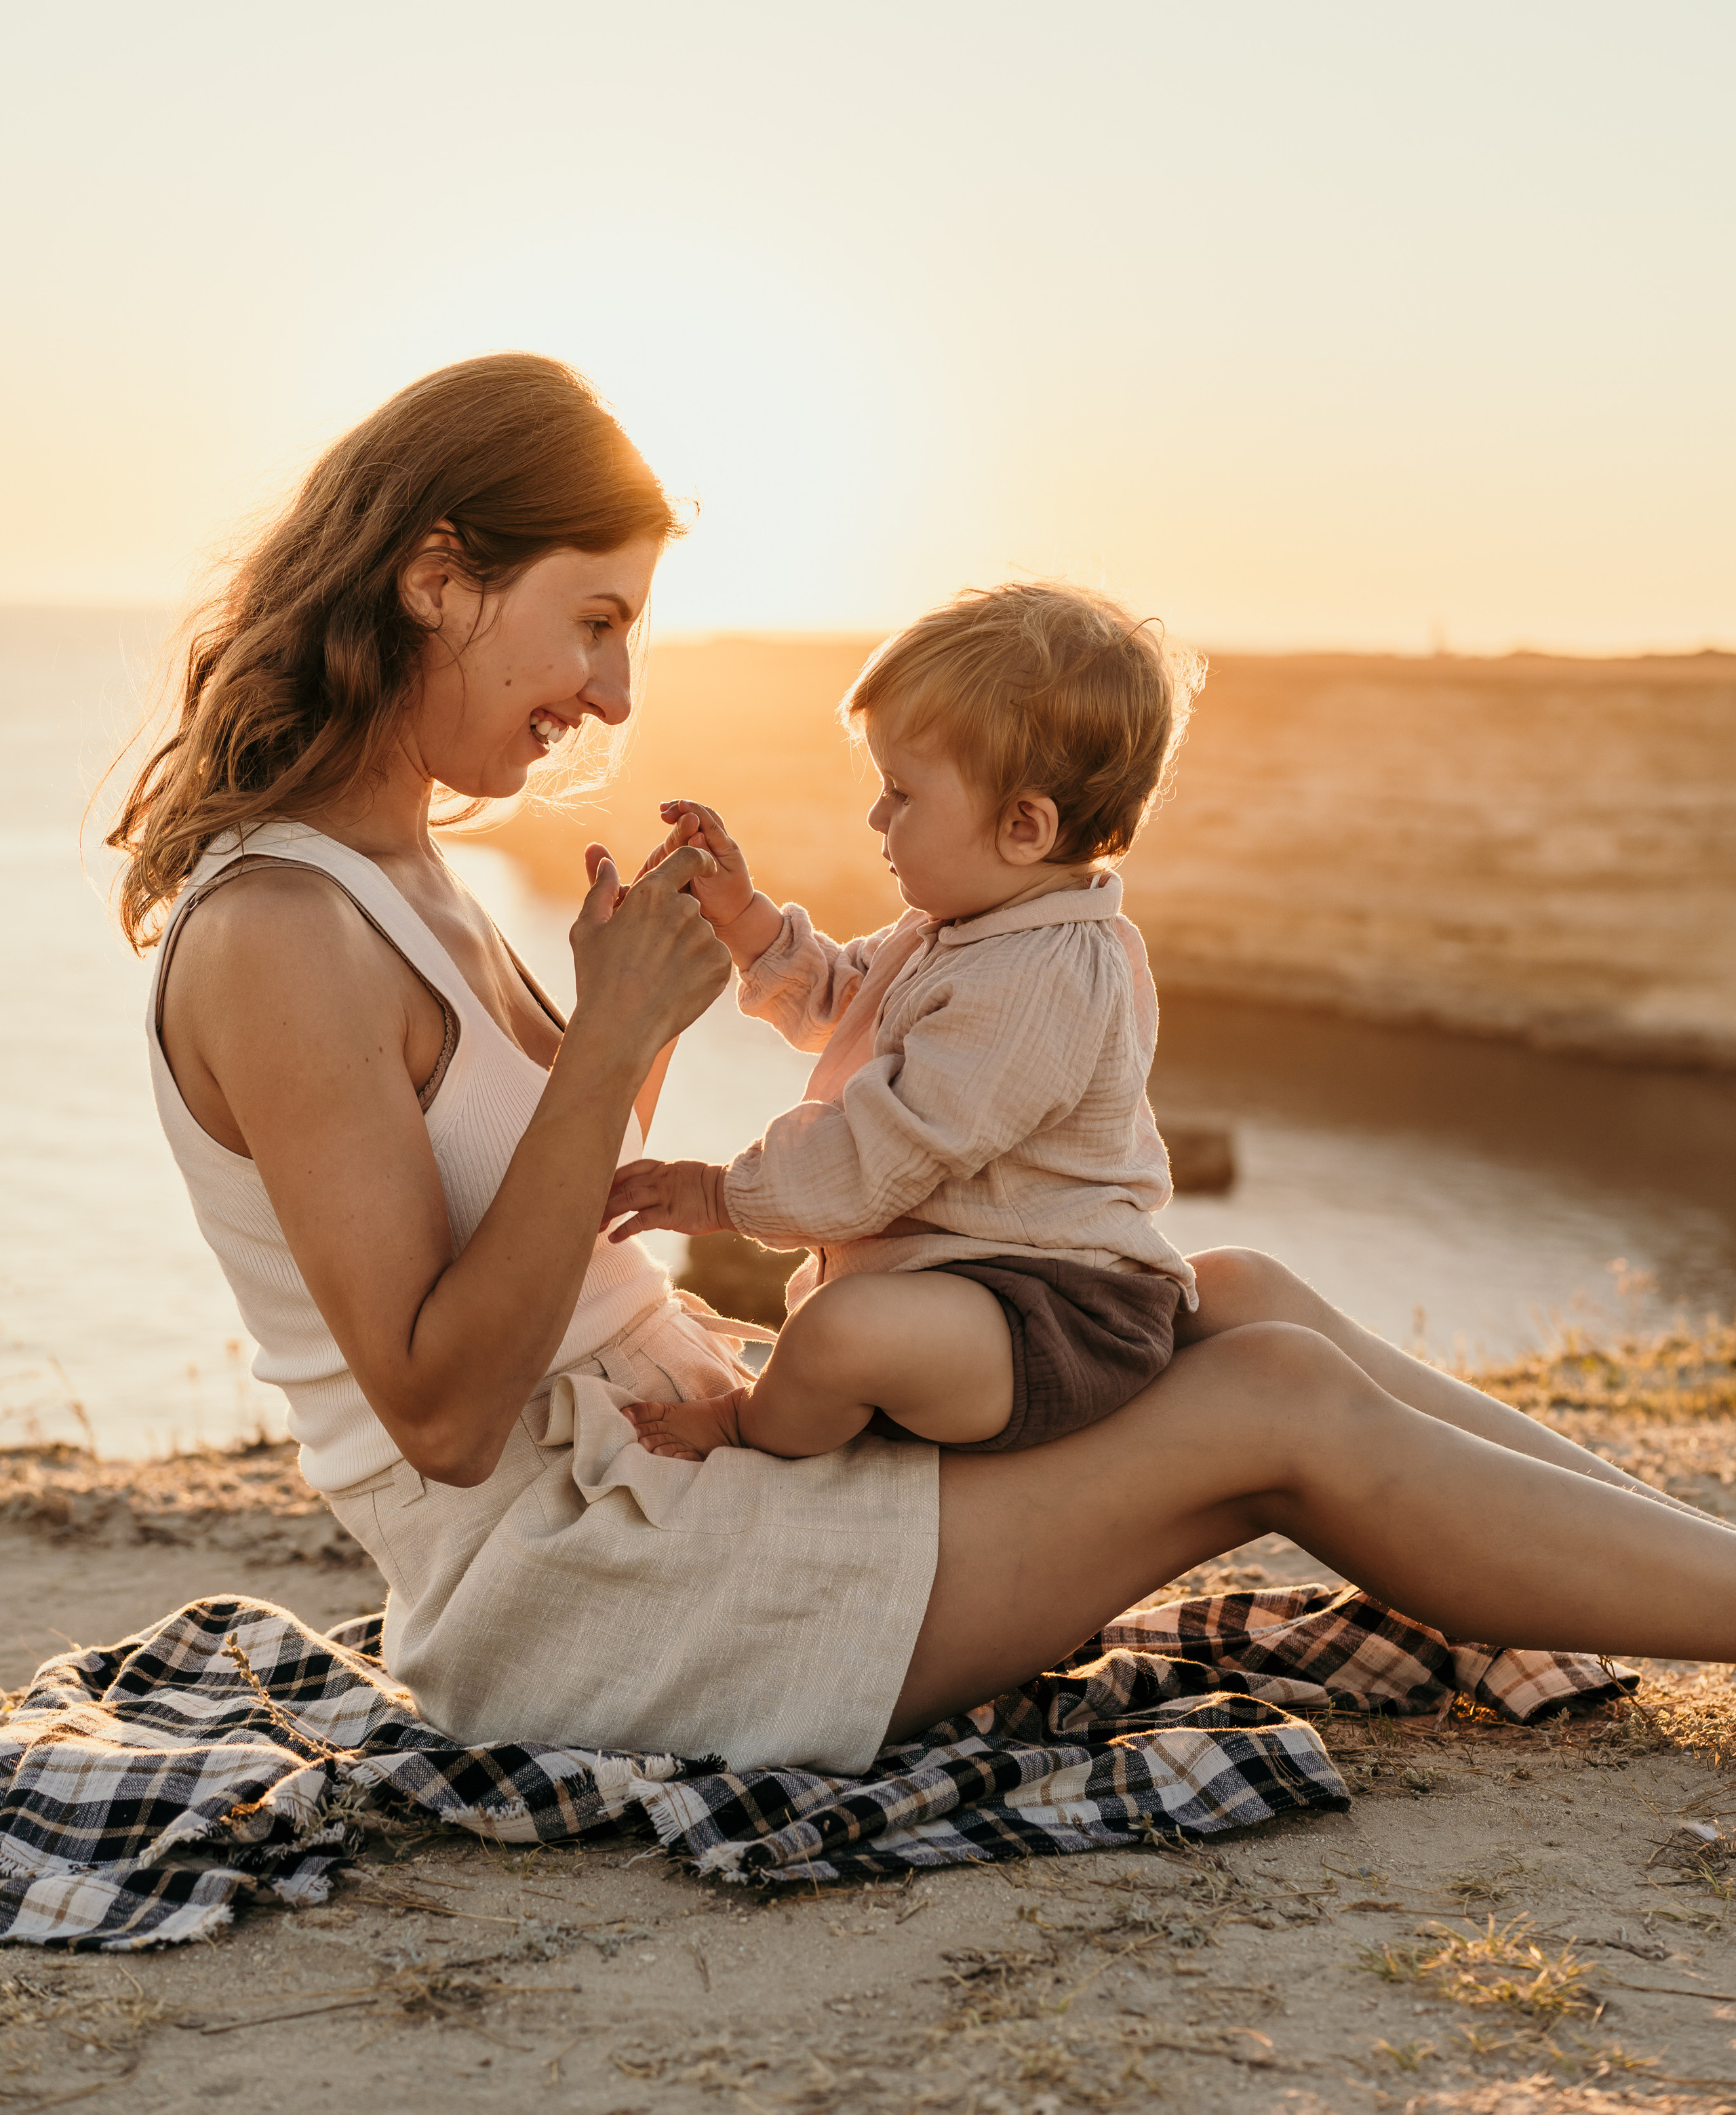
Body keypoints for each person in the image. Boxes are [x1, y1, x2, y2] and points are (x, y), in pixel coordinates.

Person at [115, 351, 1736, 1783]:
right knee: (1275, 1406)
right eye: (594, 621)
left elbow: (570, 1232)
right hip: (576, 1583)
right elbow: (447, 1414)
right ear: (435, 577)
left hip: (674, 1462)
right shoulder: (281, 934)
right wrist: (609, 1038)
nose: (614, 690)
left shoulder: (409, 880)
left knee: (1234, 1292)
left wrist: (653, 1021)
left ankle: (1703, 1559)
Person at [609, 585, 1201, 1463]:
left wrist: (717, 1195)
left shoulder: (1037, 981)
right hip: (981, 1295)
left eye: (901, 794)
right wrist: (747, 921)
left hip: (1059, 1317)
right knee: (842, 1317)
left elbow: (883, 1152)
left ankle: (746, 1427)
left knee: (841, 1332)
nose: (876, 818)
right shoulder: (962, 929)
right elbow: (854, 1003)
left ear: (1025, 826)